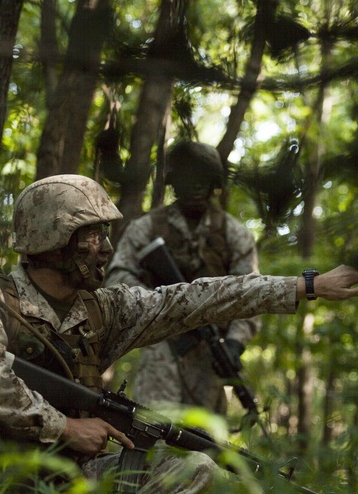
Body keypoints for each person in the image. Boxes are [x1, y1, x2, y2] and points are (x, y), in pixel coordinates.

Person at [0, 174, 358, 494]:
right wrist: (66, 426)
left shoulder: (101, 310)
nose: (106, 248)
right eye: (92, 235)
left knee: (195, 470)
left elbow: (196, 299)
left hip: (64, 485)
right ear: (55, 243)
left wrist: (306, 286)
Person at [104, 140, 259, 415]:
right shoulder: (147, 227)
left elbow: (250, 293)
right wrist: (160, 304)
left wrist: (235, 343)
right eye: (189, 179)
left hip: (208, 355)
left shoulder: (234, 234)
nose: (197, 187)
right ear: (174, 183)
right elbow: (118, 276)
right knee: (153, 427)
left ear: (215, 184)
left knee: (205, 442)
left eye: (204, 180)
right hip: (161, 345)